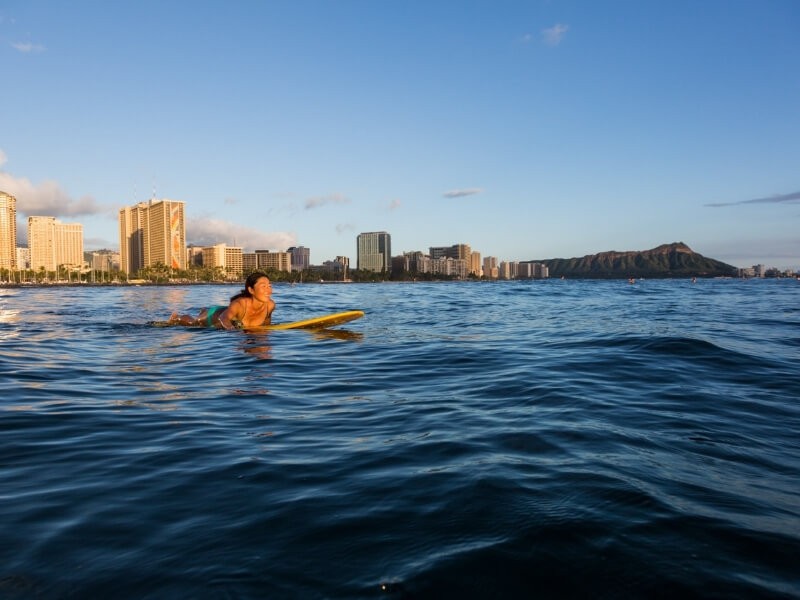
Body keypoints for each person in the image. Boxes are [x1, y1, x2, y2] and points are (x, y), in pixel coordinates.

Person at [168, 272, 275, 329]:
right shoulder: (240, 304)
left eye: (269, 286)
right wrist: (231, 330)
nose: (268, 290)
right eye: (263, 286)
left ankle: (202, 311)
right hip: (214, 315)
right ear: (251, 290)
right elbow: (223, 318)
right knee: (193, 322)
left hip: (227, 312)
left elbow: (266, 323)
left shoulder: (270, 306)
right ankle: (177, 317)